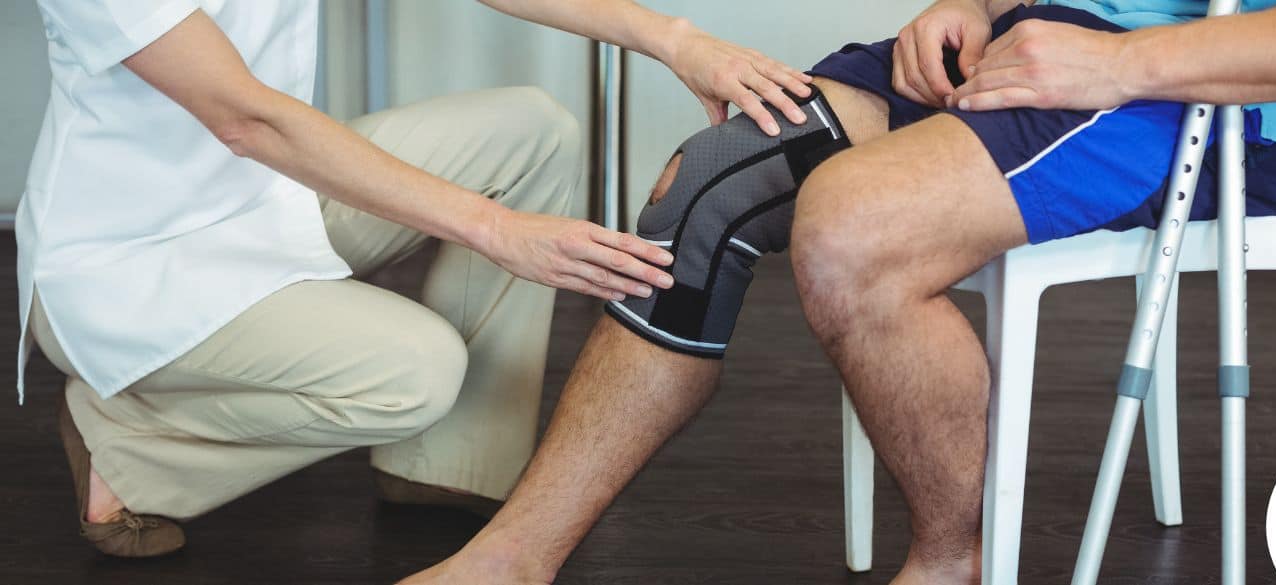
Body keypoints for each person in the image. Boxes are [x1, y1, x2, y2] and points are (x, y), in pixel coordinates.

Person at [402, 0, 1276, 583]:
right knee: (708, 182)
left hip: (1208, 97)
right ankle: (514, 557)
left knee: (855, 227)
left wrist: (1126, 63)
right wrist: (975, 3)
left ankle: (954, 562)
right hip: (1051, 37)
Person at [23, 0, 814, 558]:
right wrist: (496, 230)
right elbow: (245, 119)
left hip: (263, 195)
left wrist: (674, 40)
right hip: (129, 264)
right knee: (417, 373)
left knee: (534, 131)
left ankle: (451, 466)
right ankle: (123, 446)